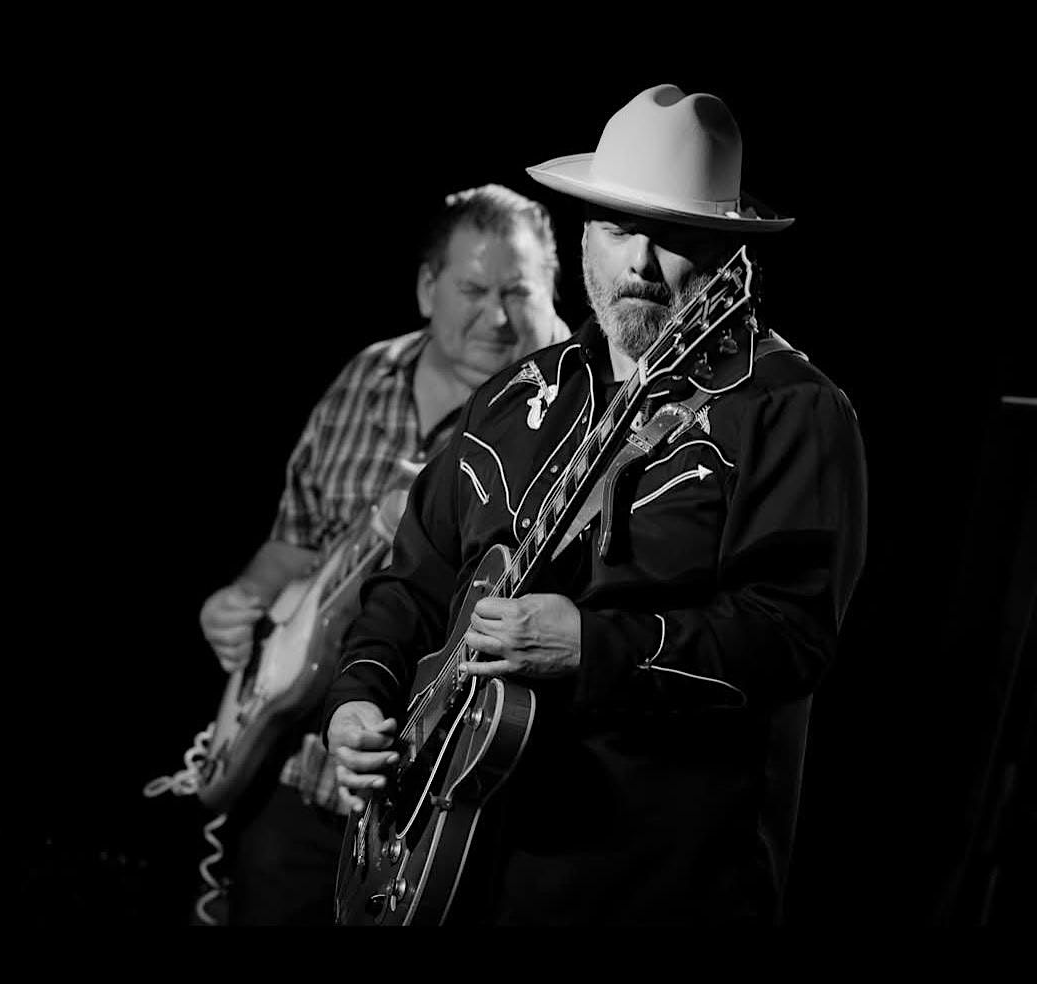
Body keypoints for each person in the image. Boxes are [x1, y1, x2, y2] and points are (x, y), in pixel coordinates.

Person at [324, 84, 868, 926]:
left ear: (731, 254)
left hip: (650, 885)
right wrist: (360, 695)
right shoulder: (512, 397)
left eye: (675, 236)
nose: (641, 264)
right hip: (459, 865)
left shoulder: (790, 410)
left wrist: (592, 647)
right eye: (619, 228)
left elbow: (789, 637)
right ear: (583, 235)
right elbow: (413, 583)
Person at [197, 184, 570, 926]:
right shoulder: (368, 375)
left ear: (553, 288)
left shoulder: (574, 410)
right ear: (428, 287)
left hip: (445, 808)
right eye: (474, 290)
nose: (497, 318)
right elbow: (297, 538)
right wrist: (241, 602)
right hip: (300, 777)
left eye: (518, 292)